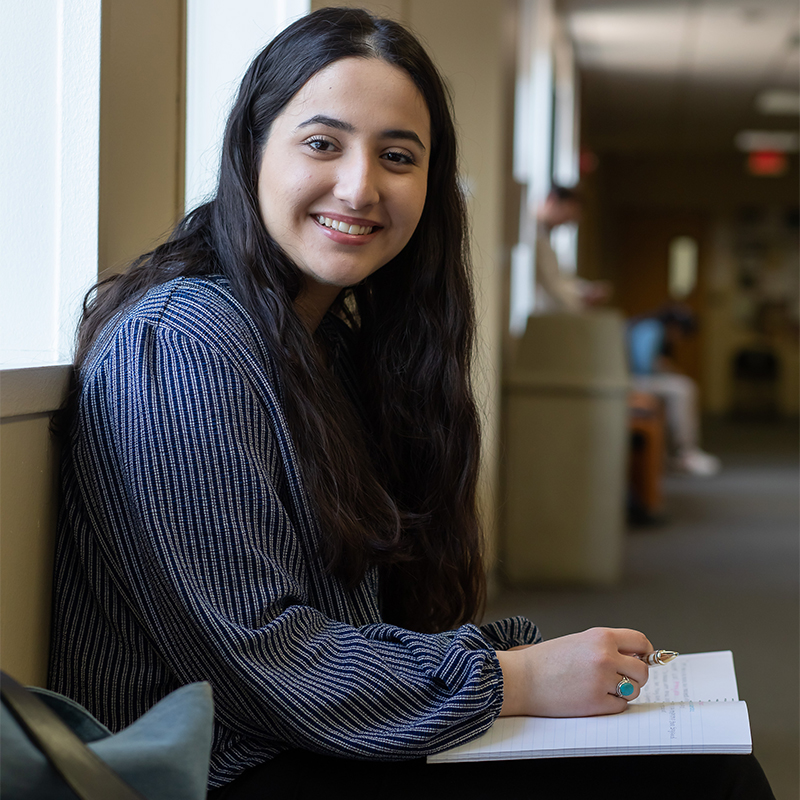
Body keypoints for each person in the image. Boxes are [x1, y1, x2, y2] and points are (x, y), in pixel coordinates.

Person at [49, 8, 772, 798]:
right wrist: (517, 679)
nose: (360, 187)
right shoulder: (179, 342)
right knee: (711, 778)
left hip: (314, 738)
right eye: (322, 144)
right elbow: (260, 660)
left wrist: (523, 665)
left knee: (695, 751)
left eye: (397, 156)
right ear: (253, 150)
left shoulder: (330, 346)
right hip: (221, 768)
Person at [627, 305, 721, 476]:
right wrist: (668, 368)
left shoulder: (647, 325)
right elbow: (643, 365)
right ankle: (686, 453)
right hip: (633, 381)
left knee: (678, 388)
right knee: (684, 388)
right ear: (675, 326)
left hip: (634, 380)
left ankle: (669, 453)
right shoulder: (651, 328)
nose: (679, 340)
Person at [534, 184, 611, 312]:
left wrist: (585, 292)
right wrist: (583, 294)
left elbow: (556, 278)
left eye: (569, 220)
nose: (563, 223)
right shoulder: (530, 231)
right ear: (553, 200)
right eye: (566, 215)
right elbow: (552, 283)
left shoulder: (545, 237)